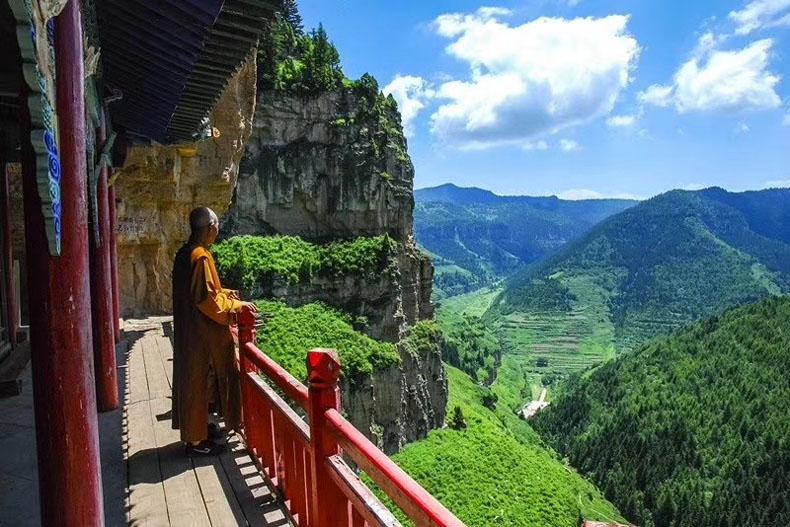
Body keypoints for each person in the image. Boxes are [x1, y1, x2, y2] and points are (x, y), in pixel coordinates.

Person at [171, 206, 257, 455]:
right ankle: (196, 441)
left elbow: (205, 291)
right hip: (201, 335)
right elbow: (208, 300)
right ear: (210, 228)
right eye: (217, 226)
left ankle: (201, 430)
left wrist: (228, 295)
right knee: (197, 383)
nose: (218, 230)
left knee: (197, 383)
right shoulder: (201, 257)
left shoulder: (185, 253)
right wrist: (236, 306)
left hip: (189, 331)